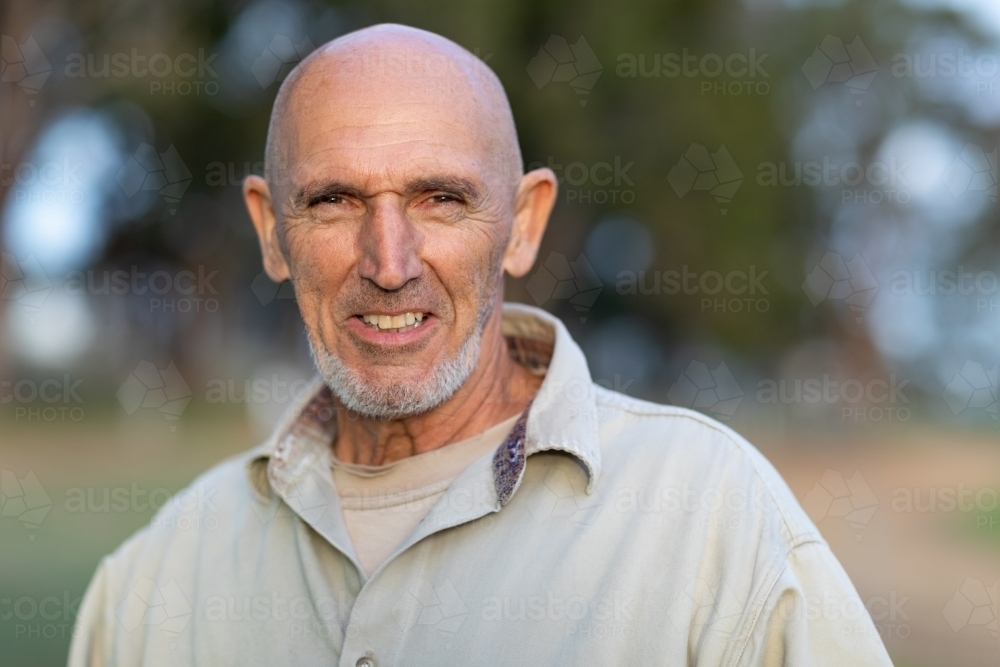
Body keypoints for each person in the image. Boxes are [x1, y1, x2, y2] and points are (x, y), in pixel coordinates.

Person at [69, 24, 892, 666]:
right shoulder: (154, 580)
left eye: (440, 199)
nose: (389, 264)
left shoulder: (715, 521)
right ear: (272, 231)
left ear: (523, 224)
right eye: (333, 201)